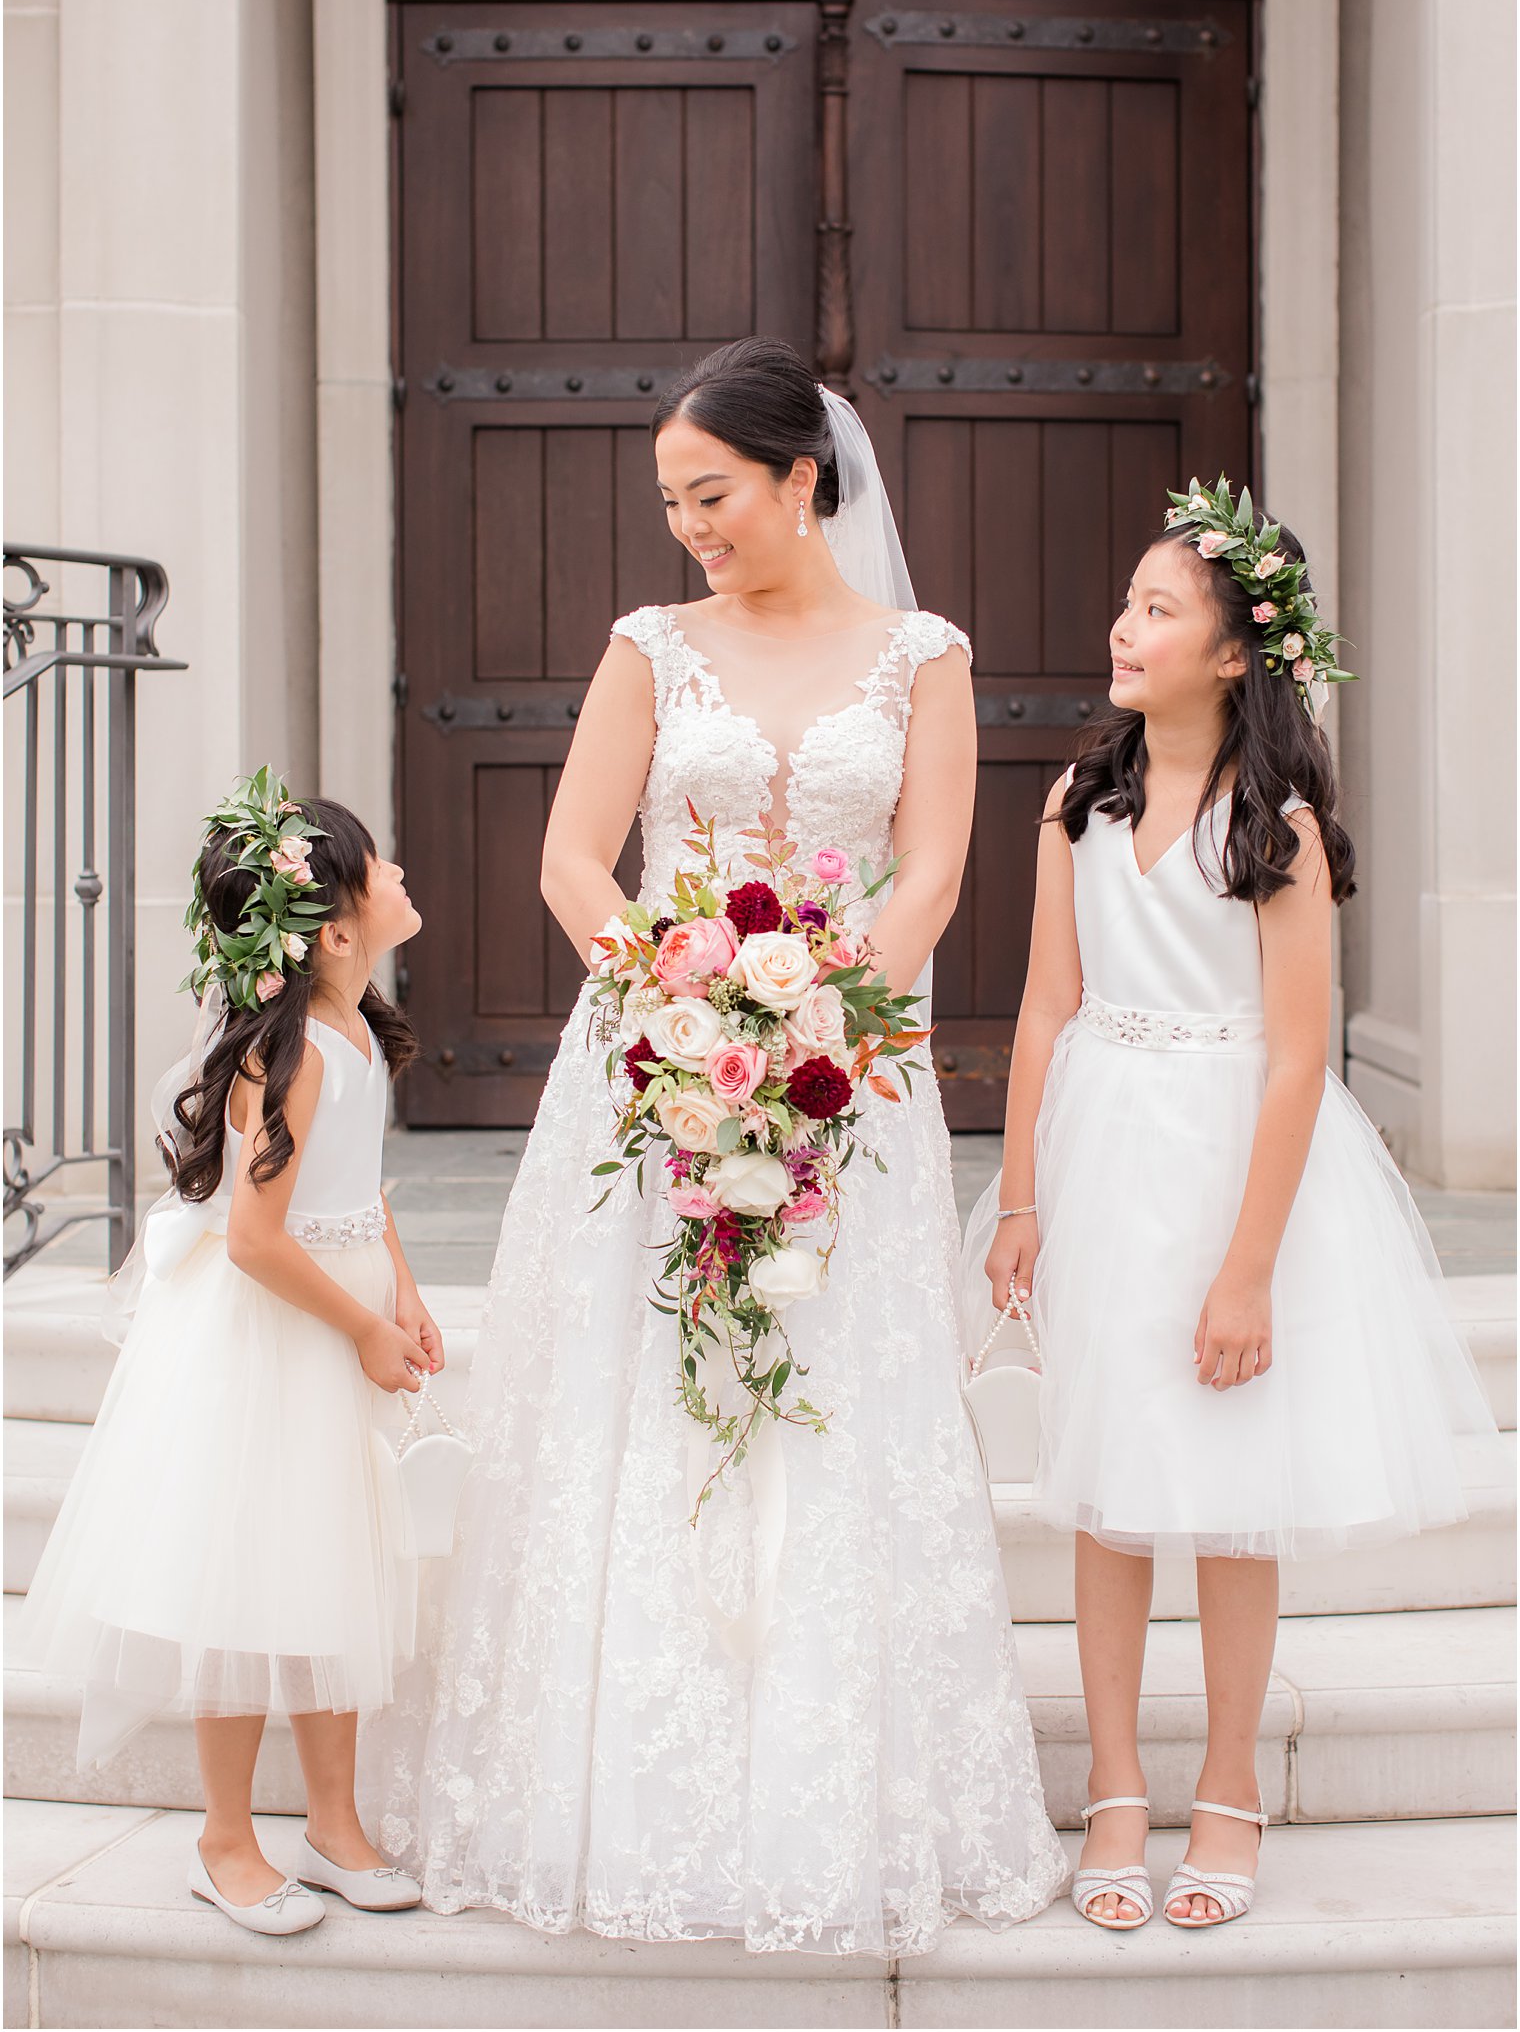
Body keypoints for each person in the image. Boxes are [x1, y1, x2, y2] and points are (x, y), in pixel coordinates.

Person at [360, 336, 1068, 1955]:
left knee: (832, 1403)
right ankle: (623, 1791)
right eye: (672, 500)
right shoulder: (648, 645)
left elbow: (932, 876)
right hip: (653, 1060)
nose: (690, 525)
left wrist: (814, 1029)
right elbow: (569, 858)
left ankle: (833, 1798)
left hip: (846, 1075)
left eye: (712, 493)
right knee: (648, 1405)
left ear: (801, 479)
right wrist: (679, 1000)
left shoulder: (922, 655)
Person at [973, 481, 1498, 1933]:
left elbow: (1293, 1057)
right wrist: (1019, 1196)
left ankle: (1226, 1787)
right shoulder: (1079, 802)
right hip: (1101, 1156)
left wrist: (1248, 1269)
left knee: (1231, 1498)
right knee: (1104, 1491)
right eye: (1127, 603)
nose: (1120, 628)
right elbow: (1040, 1008)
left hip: (1232, 1167)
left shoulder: (1281, 831)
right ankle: (1121, 1790)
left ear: (1232, 652)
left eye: (1157, 609)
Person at [17, 770, 437, 1933]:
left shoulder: (357, 1027)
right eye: (384, 867)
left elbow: (356, 1185)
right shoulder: (289, 1050)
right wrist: (357, 1324)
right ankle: (223, 1837)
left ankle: (335, 1827)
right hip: (275, 1330)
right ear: (339, 924)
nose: (403, 875)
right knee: (250, 1576)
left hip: (342, 1301)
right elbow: (254, 1238)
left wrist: (400, 1288)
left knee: (333, 1568)